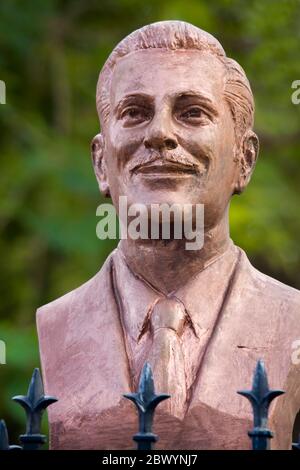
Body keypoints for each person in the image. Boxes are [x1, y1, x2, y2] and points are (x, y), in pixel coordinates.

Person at [37, 21, 300, 450]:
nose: (160, 133)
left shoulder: (294, 323)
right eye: (135, 112)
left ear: (244, 159)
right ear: (101, 163)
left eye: (192, 112)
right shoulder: (57, 325)